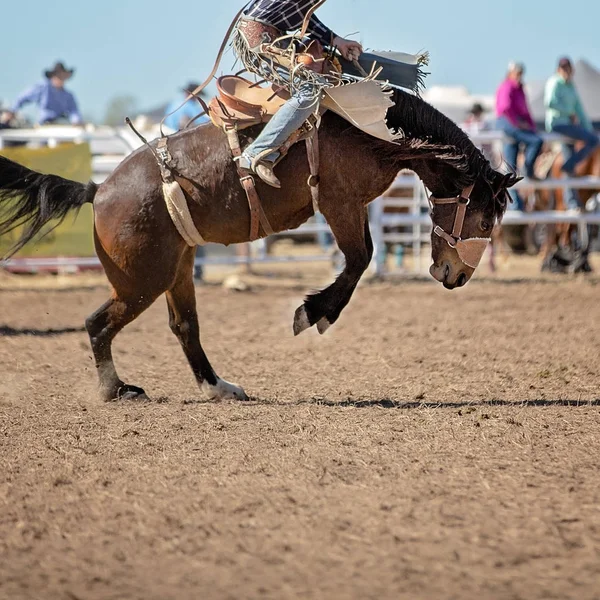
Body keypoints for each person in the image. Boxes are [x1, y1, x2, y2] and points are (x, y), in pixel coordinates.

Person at [232, 0, 363, 188]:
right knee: (310, 90)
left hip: (269, 35)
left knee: (326, 76)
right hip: (261, 39)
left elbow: (300, 13)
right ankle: (255, 154)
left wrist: (336, 40)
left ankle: (280, 143)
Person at [496, 62, 542, 211]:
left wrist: (531, 126)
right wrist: (520, 124)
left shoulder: (517, 88)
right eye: (517, 72)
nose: (519, 75)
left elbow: (524, 111)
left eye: (520, 72)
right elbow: (505, 108)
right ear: (510, 73)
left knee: (511, 168)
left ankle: (515, 204)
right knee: (536, 141)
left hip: (512, 125)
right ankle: (527, 170)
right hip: (509, 124)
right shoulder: (508, 87)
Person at [545, 57, 599, 179]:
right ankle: (568, 165)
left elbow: (580, 110)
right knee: (593, 140)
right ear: (558, 70)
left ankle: (570, 197)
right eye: (563, 68)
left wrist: (588, 129)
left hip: (569, 125)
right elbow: (550, 103)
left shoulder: (571, 86)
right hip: (558, 124)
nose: (566, 71)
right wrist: (569, 112)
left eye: (568, 68)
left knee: (589, 141)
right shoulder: (554, 82)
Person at [1, 62, 82, 126]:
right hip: (44, 124)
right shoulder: (43, 87)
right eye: (58, 76)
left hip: (60, 125)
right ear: (53, 76)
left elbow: (74, 111)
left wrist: (76, 121)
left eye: (62, 76)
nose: (60, 79)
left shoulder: (68, 96)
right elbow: (23, 97)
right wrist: (12, 111)